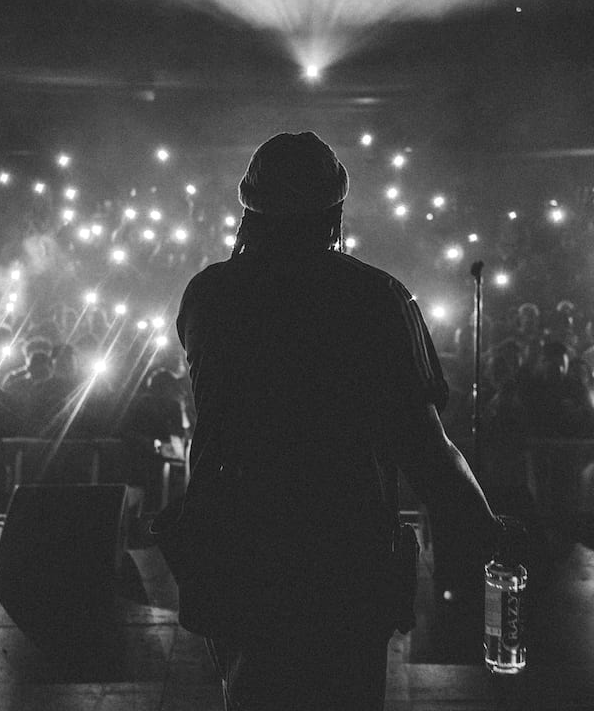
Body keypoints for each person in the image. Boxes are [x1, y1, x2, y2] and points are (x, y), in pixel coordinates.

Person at [174, 132, 518, 710]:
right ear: (335, 211)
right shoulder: (376, 299)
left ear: (250, 208)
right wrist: (486, 527)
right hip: (343, 560)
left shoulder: (208, 295)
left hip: (237, 552)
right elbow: (427, 450)